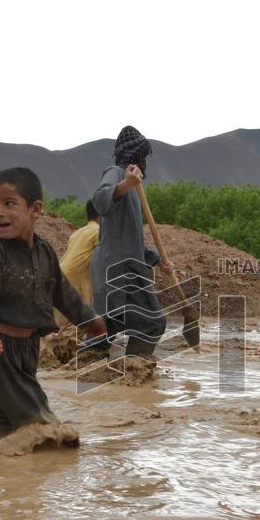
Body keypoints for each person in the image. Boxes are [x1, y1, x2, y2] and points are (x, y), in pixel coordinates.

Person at [0, 167, 106, 446]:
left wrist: (92, 321)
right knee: (44, 425)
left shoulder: (45, 252)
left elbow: (64, 294)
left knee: (4, 415)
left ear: (35, 209)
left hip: (28, 350)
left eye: (9, 203)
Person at [89, 125, 169, 358]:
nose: (146, 162)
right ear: (135, 155)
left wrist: (158, 261)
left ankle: (81, 370)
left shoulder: (134, 189)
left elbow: (130, 240)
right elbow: (100, 201)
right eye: (143, 156)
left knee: (106, 328)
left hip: (115, 266)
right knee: (153, 322)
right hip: (118, 269)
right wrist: (125, 184)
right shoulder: (116, 172)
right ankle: (135, 374)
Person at [55, 200, 100, 326]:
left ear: (87, 216)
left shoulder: (77, 233)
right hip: (75, 279)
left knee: (60, 323)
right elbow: (103, 258)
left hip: (59, 274)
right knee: (73, 326)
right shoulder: (99, 232)